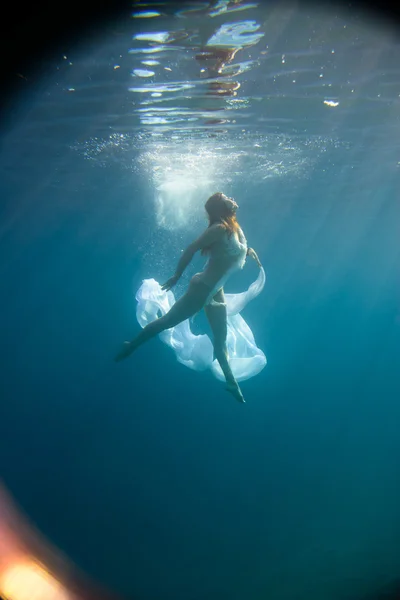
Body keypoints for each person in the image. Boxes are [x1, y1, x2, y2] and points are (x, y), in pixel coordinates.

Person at [115, 192, 262, 403]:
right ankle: (131, 345)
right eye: (225, 197)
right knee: (166, 322)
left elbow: (230, 252)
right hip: (202, 288)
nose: (231, 198)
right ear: (219, 207)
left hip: (215, 290)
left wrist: (247, 251)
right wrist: (177, 276)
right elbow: (193, 248)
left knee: (221, 340)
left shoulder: (234, 229)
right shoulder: (219, 229)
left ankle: (231, 383)